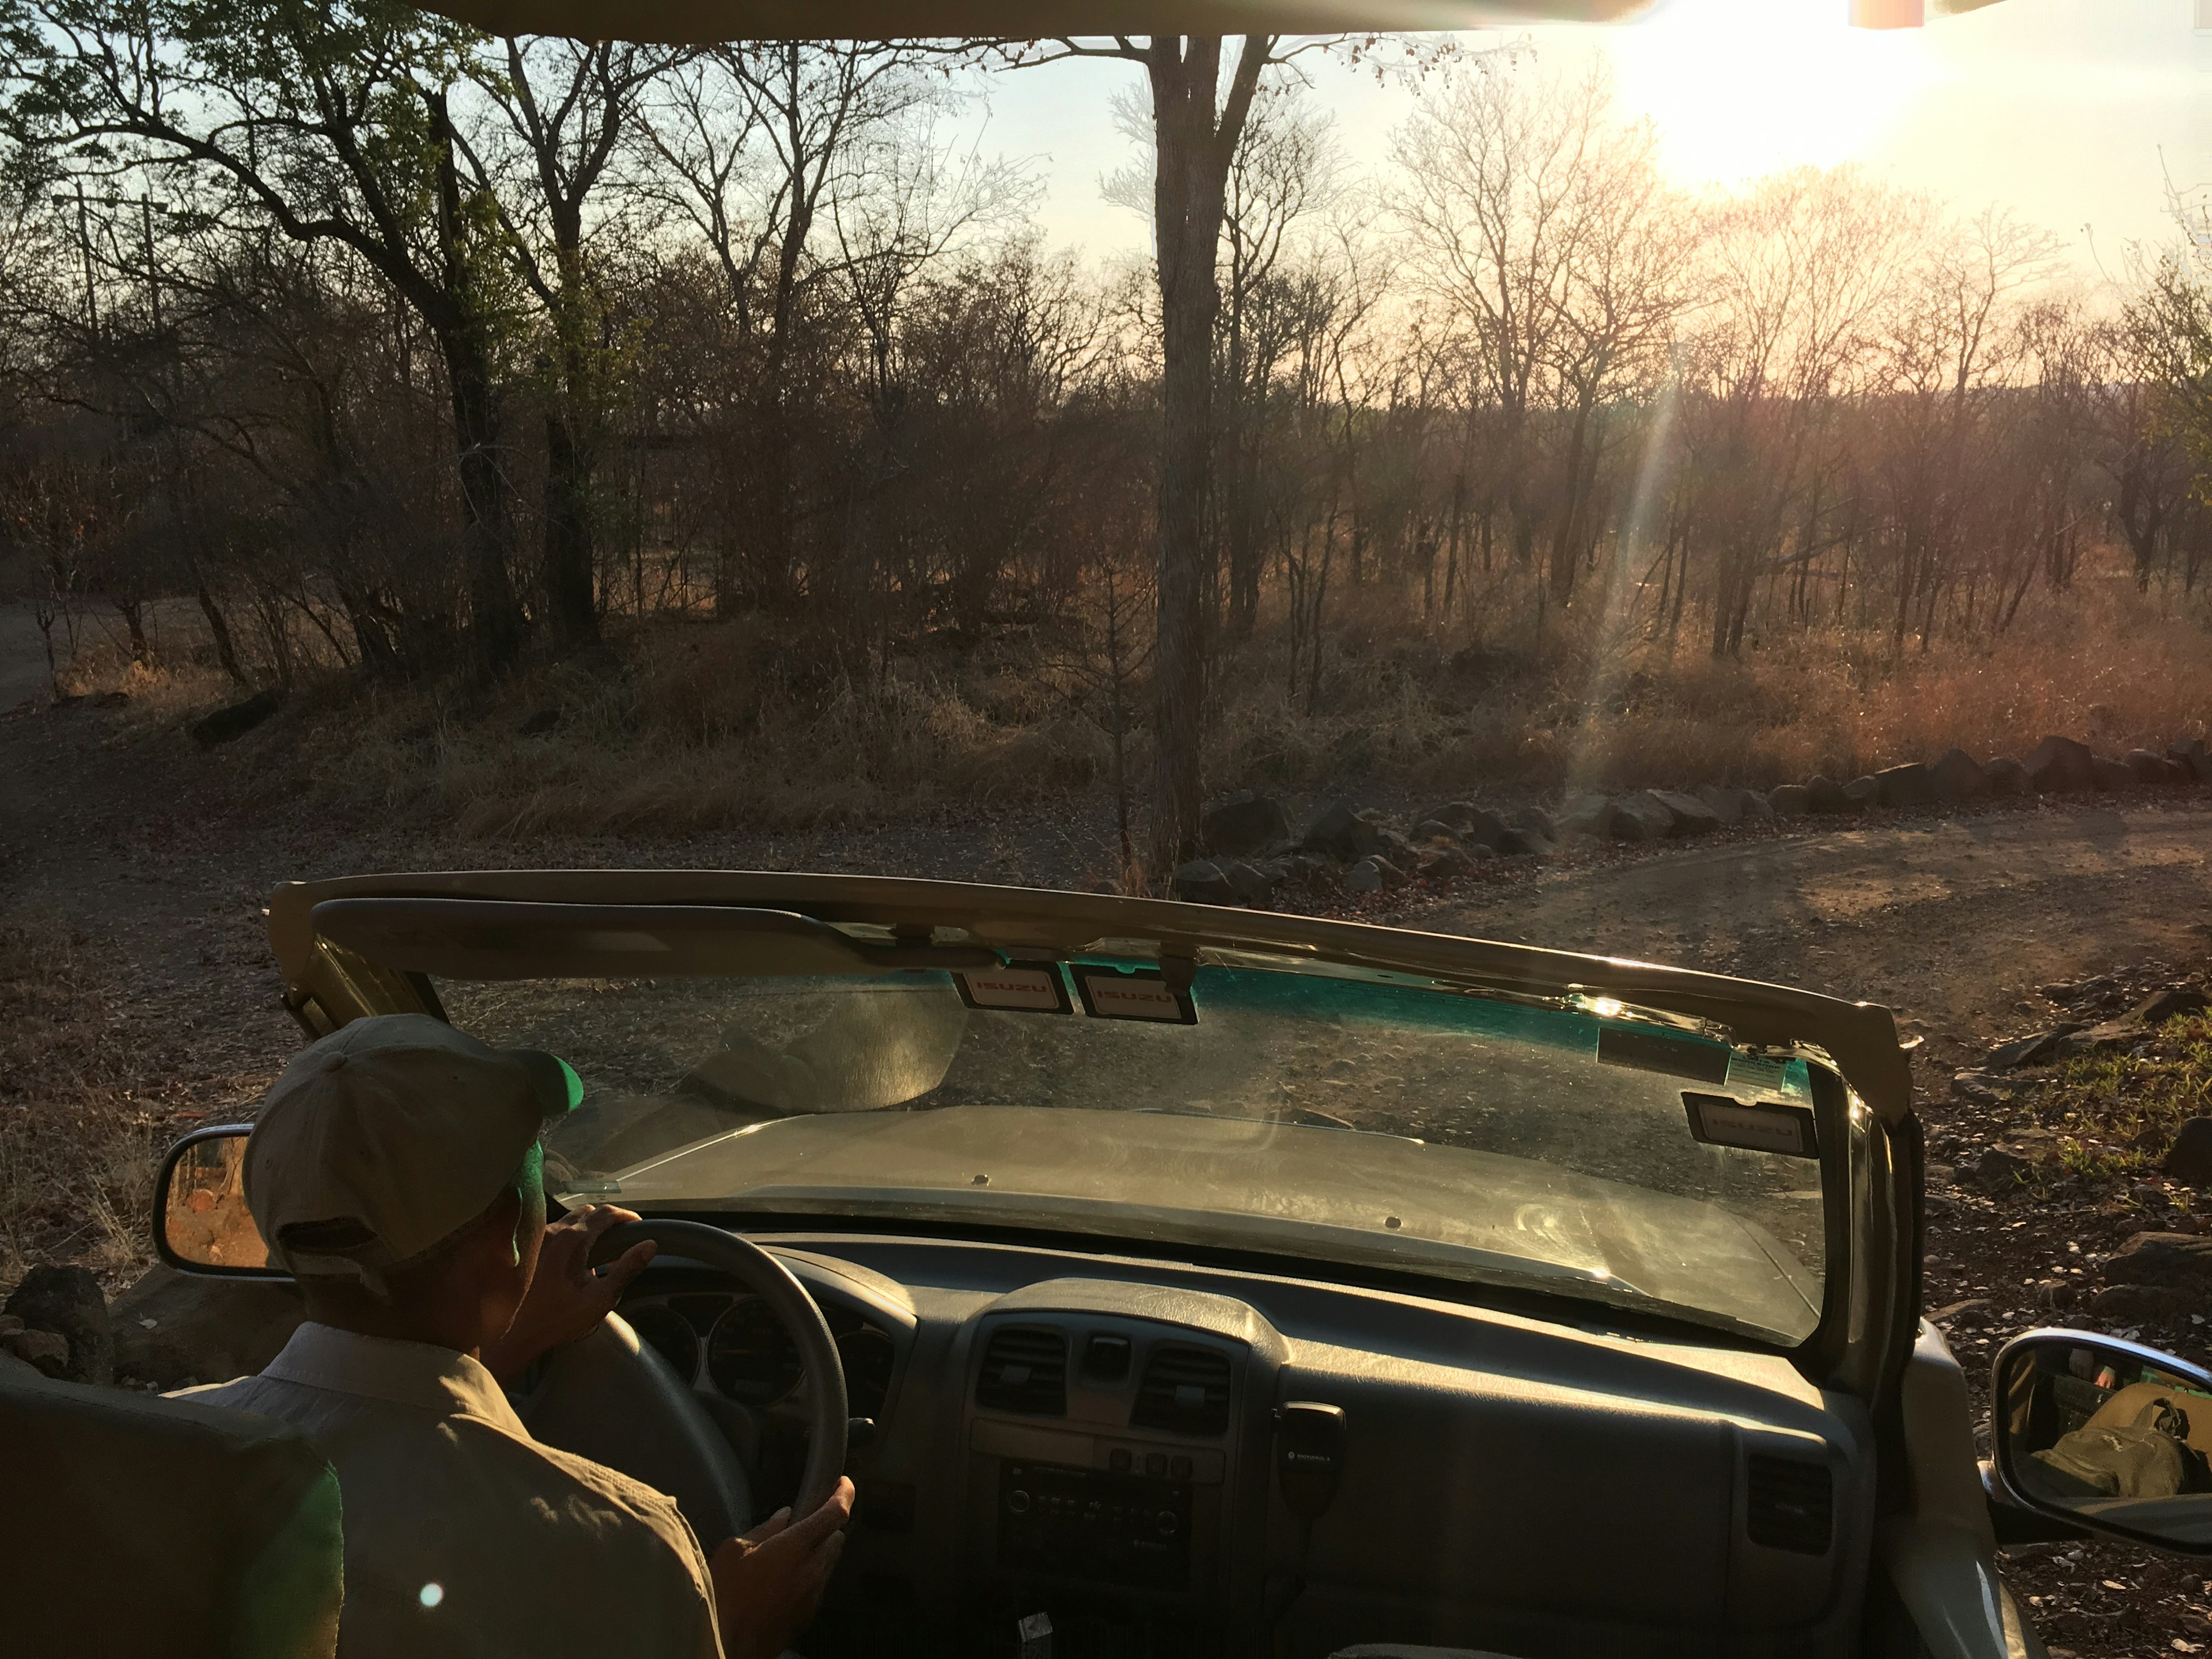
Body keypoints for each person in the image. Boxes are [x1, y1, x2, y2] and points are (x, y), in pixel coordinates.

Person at [181, 1013, 853, 1658]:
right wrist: (728, 1636)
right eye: (539, 1164)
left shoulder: (156, 1443)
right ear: (511, 1231)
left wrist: (486, 1351)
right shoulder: (623, 1549)